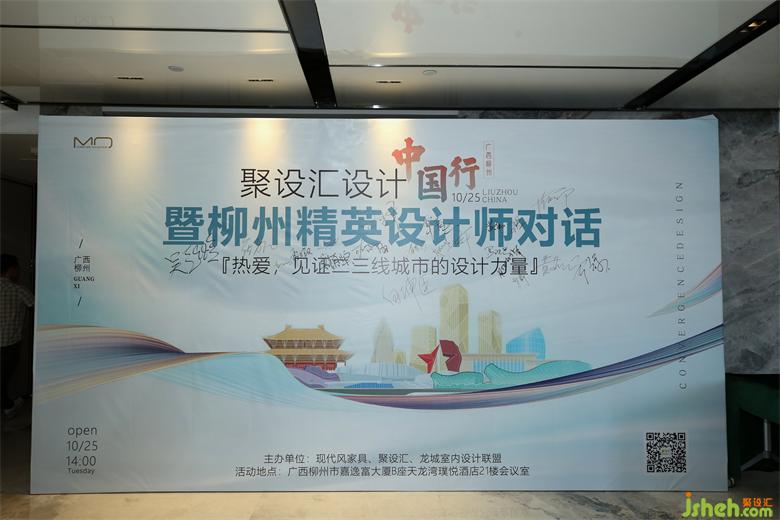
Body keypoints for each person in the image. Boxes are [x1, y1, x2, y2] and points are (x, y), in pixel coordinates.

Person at [1, 254, 34, 418]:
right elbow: (36, 307)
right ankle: (7, 406)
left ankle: (7, 404)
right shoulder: (19, 290)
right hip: (9, 344)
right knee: (4, 376)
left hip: (9, 344)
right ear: (12, 269)